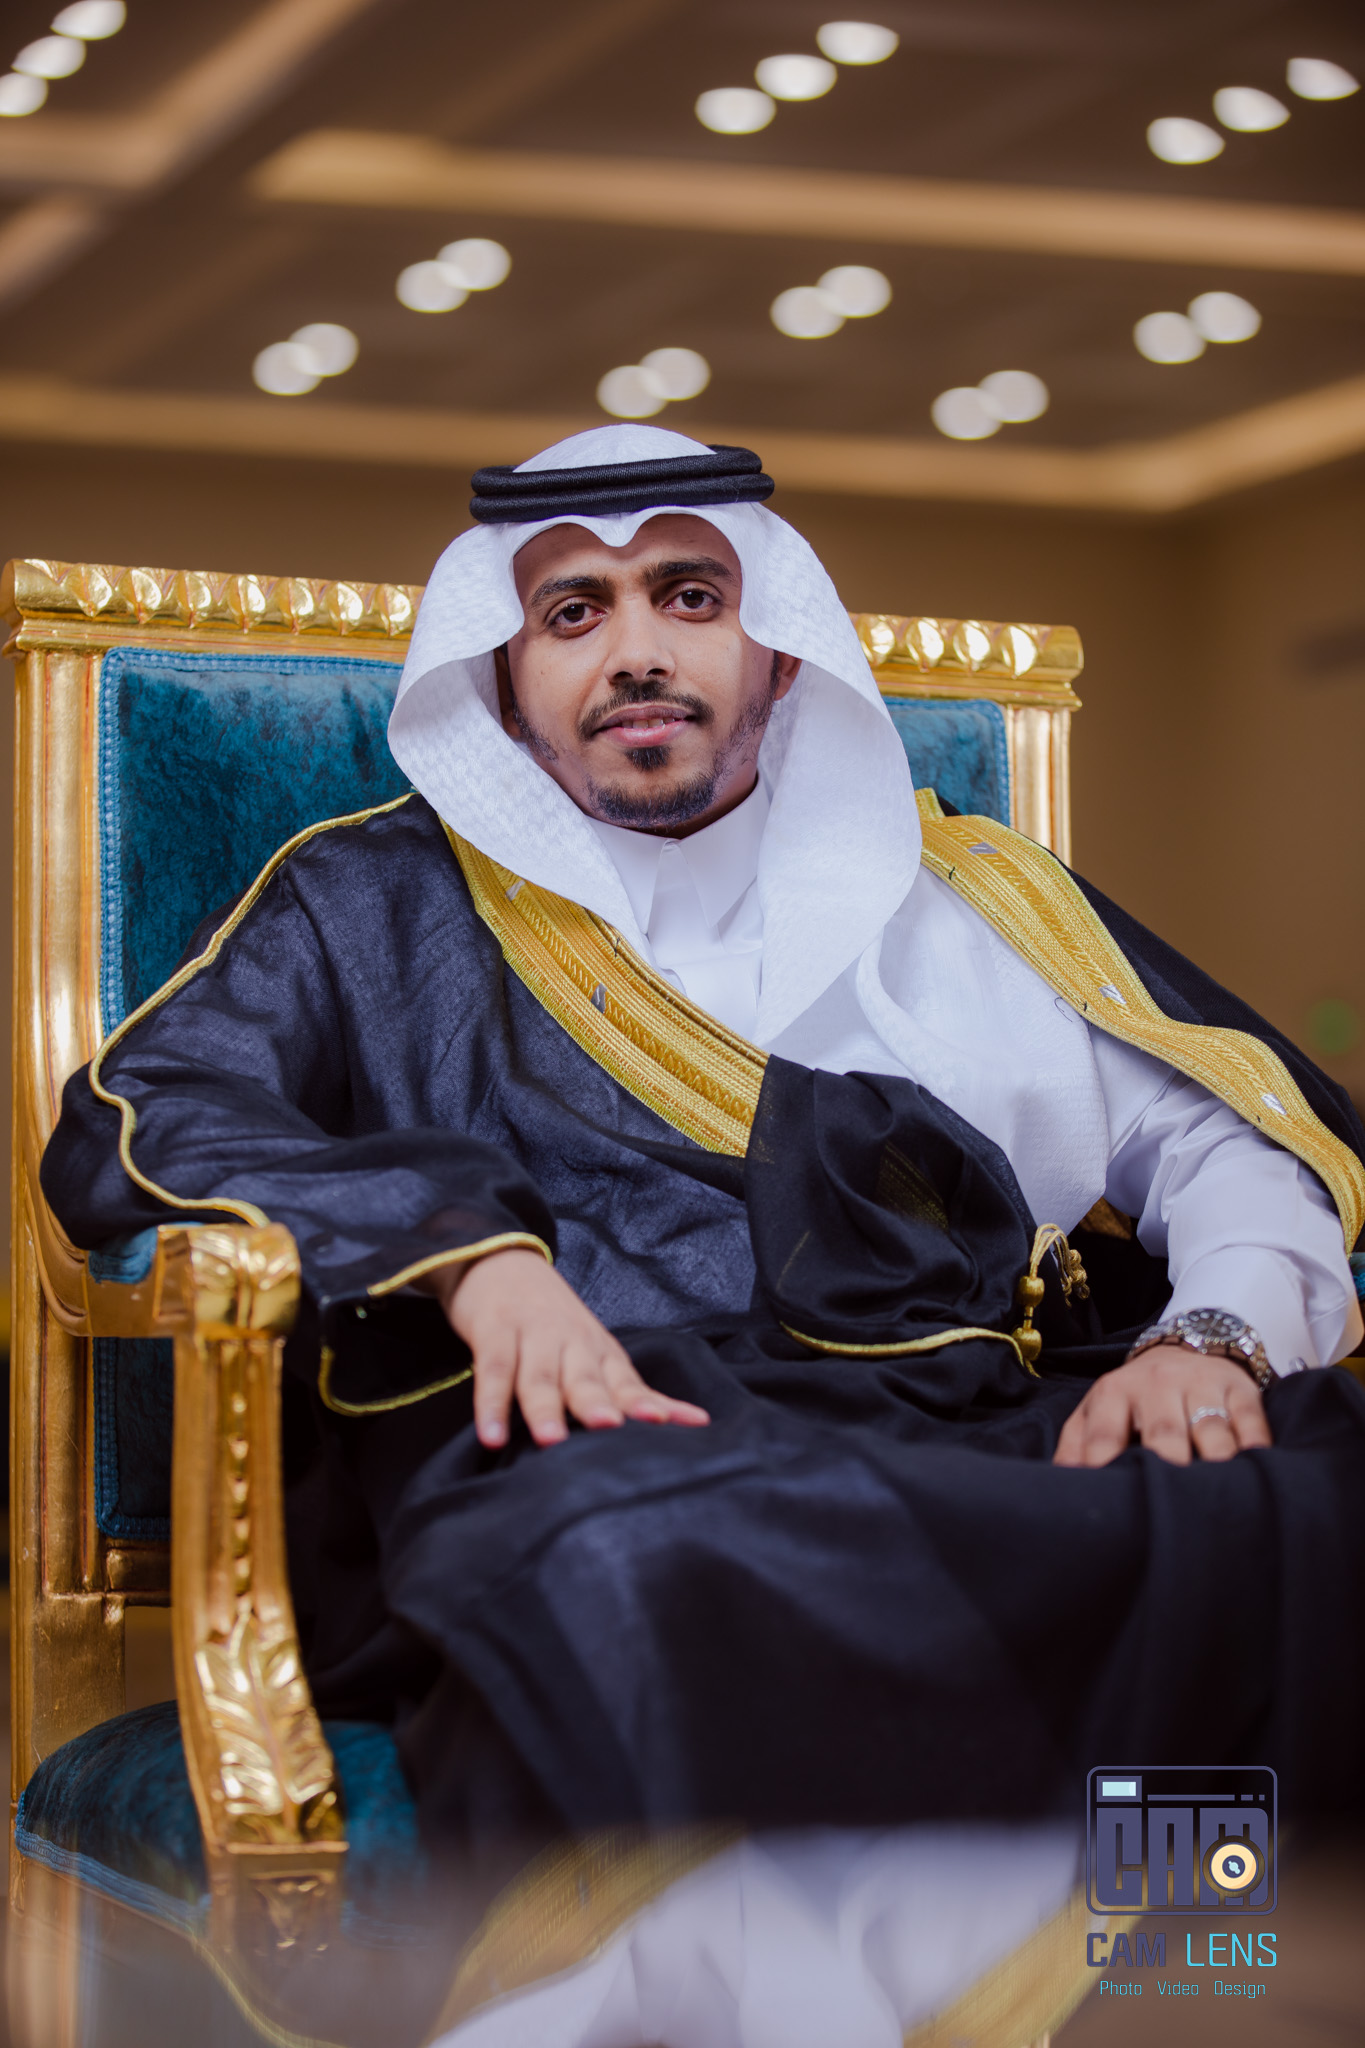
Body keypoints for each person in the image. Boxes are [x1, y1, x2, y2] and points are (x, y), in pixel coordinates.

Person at [41, 425, 1365, 1850]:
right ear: (502, 676)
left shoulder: (978, 894)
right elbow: (148, 1110)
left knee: (1307, 1482)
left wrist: (1207, 1341)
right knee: (644, 1551)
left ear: (778, 649)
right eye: (571, 613)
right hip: (627, 1439)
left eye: (689, 597)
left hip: (995, 1428)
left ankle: (1173, 1936)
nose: (635, 654)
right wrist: (465, 1254)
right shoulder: (370, 904)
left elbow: (1228, 1143)